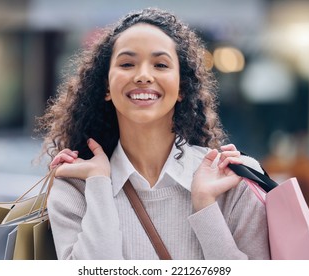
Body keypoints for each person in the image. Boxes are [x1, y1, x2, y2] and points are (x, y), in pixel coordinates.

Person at [36, 7, 270, 260]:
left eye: (160, 64)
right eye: (127, 64)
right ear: (106, 86)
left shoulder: (233, 179)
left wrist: (205, 206)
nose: (143, 76)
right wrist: (99, 183)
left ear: (182, 87)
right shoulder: (75, 187)